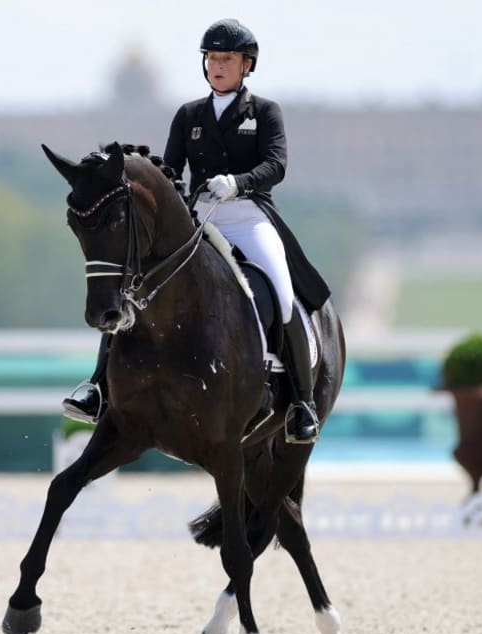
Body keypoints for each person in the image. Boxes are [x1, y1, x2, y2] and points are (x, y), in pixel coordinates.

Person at [64, 18, 331, 442]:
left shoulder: (264, 112)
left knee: (281, 293)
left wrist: (238, 183)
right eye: (212, 58)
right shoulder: (188, 114)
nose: (218, 66)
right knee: (134, 288)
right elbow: (170, 170)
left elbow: (276, 165)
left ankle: (301, 402)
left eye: (227, 59)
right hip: (199, 216)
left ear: (247, 65)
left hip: (248, 214)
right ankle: (98, 387)